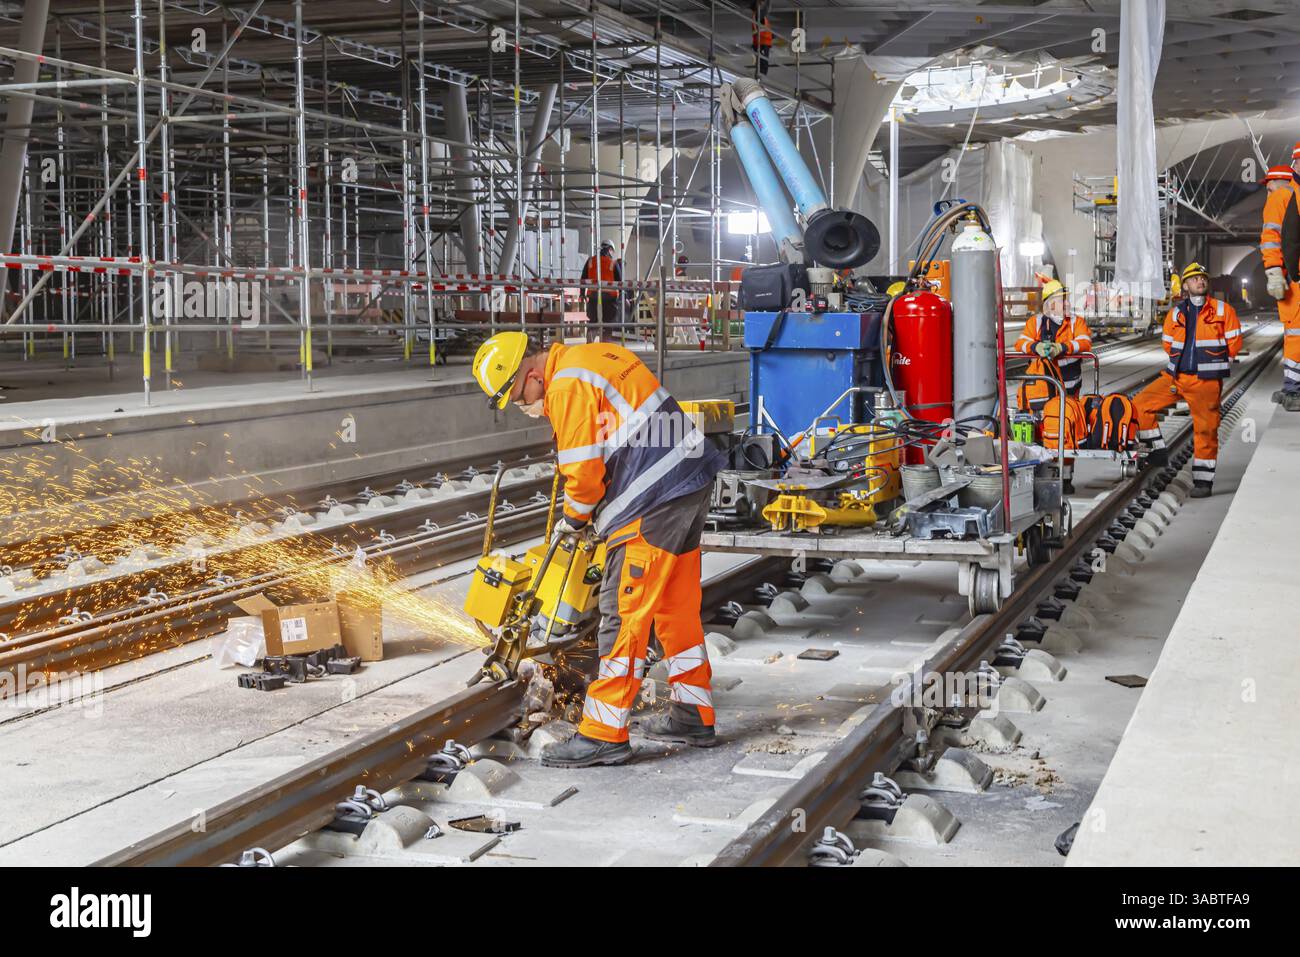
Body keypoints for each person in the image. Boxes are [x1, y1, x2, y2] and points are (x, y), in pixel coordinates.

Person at [471, 331, 727, 767]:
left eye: (517, 396)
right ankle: (693, 712)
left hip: (653, 499)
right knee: (673, 608)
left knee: (621, 612)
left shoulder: (566, 384)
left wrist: (573, 522)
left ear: (531, 373)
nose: (522, 406)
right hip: (687, 484)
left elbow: (584, 474)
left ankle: (604, 732)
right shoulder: (592, 356)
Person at [1132, 263, 1242, 498]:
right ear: (1185, 285)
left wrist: (1213, 364)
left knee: (1205, 431)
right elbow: (1167, 342)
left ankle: (1203, 482)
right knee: (1139, 405)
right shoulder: (1175, 313)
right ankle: (1157, 450)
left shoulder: (1223, 311)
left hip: (1206, 382)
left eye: (1203, 278)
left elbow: (1234, 343)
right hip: (1176, 377)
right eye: (1194, 279)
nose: (1200, 281)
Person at [1013, 279, 1092, 493]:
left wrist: (1062, 347)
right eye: (1061, 300)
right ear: (1049, 303)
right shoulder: (1036, 323)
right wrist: (1035, 346)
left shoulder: (1076, 322)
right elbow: (1020, 344)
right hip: (1043, 390)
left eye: (1066, 300)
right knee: (1040, 430)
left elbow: (1085, 342)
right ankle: (1041, 474)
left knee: (1065, 430)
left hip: (1069, 387)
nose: (1066, 304)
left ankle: (1065, 478)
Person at [1260, 161, 1300, 410]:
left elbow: (1272, 238)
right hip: (1295, 277)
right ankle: (1293, 388)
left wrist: (1274, 271)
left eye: (1268, 185)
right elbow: (1277, 239)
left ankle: (1293, 389)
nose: (1268, 190)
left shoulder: (1282, 196)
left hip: (1295, 279)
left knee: (1295, 332)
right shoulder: (1287, 196)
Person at [580, 240, 622, 339]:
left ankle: (589, 346)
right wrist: (622, 297)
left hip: (594, 296)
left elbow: (583, 279)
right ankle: (605, 345)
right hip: (609, 298)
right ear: (610, 249)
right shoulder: (613, 262)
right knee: (608, 322)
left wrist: (582, 294)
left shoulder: (590, 261)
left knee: (593, 321)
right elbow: (620, 283)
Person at [751, 1, 772, 77]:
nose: (762, 4)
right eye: (760, 3)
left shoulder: (758, 15)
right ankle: (759, 79)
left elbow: (763, 29)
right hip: (761, 43)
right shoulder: (758, 15)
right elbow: (767, 9)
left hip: (762, 43)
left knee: (762, 64)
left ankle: (759, 79)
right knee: (763, 64)